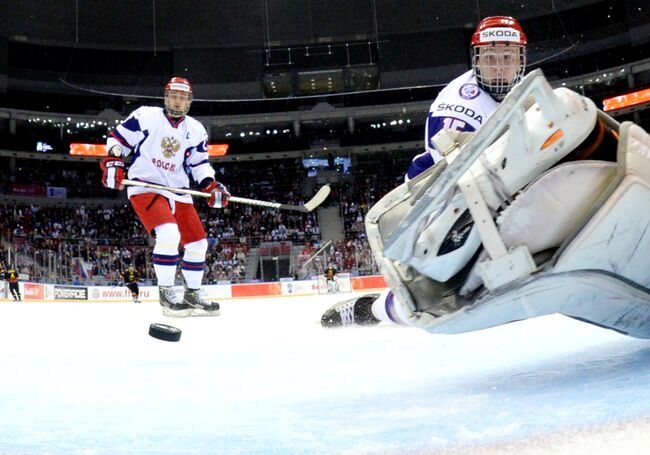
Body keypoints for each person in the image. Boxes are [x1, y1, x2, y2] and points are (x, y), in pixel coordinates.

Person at [322, 16, 528, 327]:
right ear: (477, 61)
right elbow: (460, 173)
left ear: (521, 61)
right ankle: (372, 310)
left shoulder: (526, 93)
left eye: (507, 58)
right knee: (433, 299)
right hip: (435, 203)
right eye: (490, 58)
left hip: (489, 195)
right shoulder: (459, 105)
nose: (499, 67)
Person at [100, 77, 230, 317]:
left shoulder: (196, 129)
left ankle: (192, 294)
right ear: (166, 96)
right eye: (174, 96)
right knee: (169, 233)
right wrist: (114, 162)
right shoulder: (146, 116)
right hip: (145, 185)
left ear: (189, 101)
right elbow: (117, 140)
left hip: (178, 190)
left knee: (198, 244)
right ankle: (167, 294)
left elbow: (199, 164)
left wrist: (211, 186)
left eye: (183, 98)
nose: (177, 102)